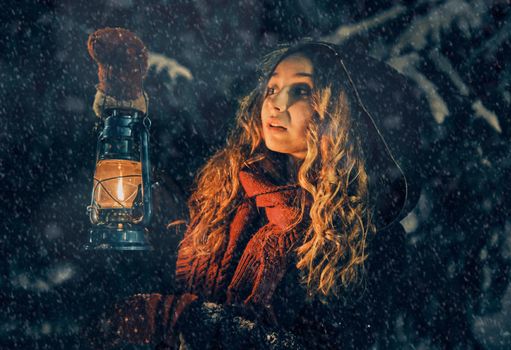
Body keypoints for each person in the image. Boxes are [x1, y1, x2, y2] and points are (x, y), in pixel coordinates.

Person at [99, 41, 411, 350]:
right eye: (272, 89)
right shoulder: (228, 187)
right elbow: (148, 255)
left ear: (340, 113)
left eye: (301, 90)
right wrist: (121, 112)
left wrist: (186, 320)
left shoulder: (365, 234)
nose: (276, 103)